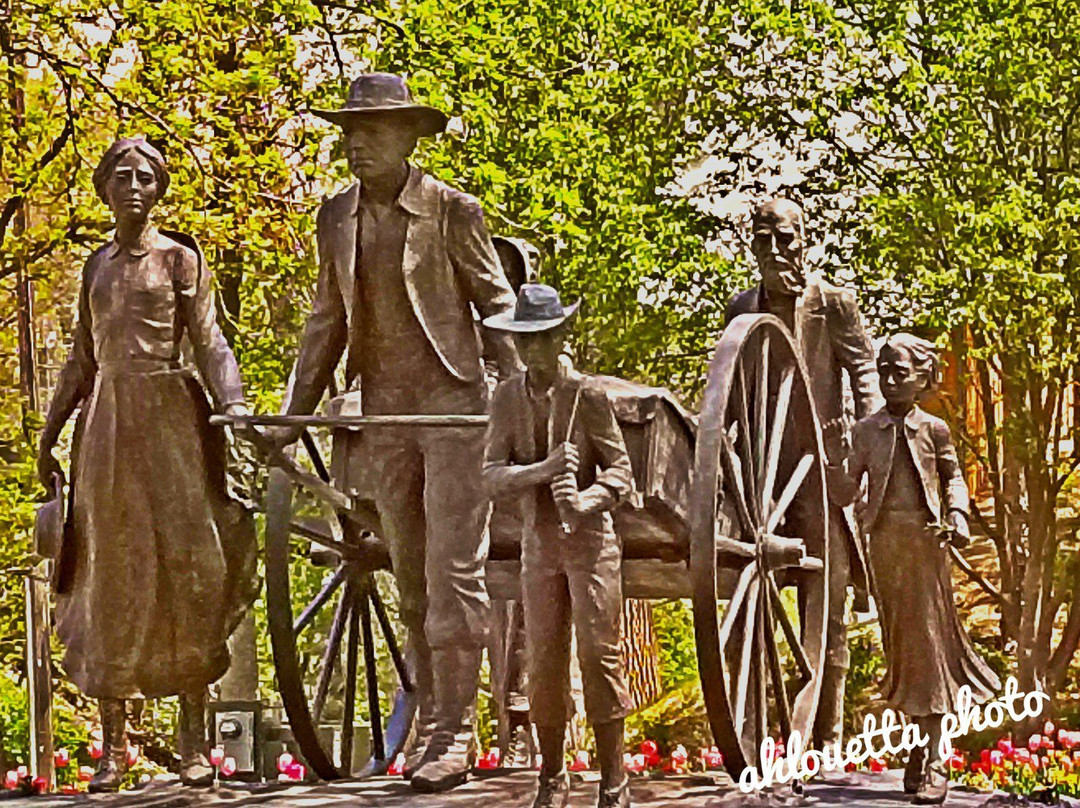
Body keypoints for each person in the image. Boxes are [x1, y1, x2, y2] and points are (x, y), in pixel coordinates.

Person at [271, 73, 519, 792]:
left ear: (409, 137)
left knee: (452, 572)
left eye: (372, 131)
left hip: (455, 413)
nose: (355, 144)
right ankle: (433, 717)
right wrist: (295, 416)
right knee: (410, 578)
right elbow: (326, 323)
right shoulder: (336, 217)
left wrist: (523, 403)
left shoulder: (450, 211)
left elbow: (497, 310)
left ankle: (456, 730)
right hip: (383, 415)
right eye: (349, 131)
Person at [37, 138, 257, 791]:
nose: (134, 187)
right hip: (107, 429)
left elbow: (210, 340)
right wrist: (48, 434)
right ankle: (113, 750)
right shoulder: (96, 268)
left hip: (172, 424)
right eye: (122, 177)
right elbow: (82, 356)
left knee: (191, 566)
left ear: (160, 188)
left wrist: (236, 402)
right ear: (105, 188)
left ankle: (194, 745)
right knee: (110, 579)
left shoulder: (178, 261)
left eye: (146, 177)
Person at [726, 197, 882, 747]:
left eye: (785, 240)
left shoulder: (832, 303)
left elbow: (864, 369)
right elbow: (730, 382)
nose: (775, 252)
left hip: (821, 470)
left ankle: (827, 732)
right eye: (763, 241)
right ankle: (753, 728)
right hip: (761, 478)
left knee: (829, 604)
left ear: (804, 240)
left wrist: (868, 443)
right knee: (750, 602)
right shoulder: (742, 306)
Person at [482, 284, 634, 808]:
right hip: (540, 546)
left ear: (559, 337)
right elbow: (491, 474)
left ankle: (614, 779)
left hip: (591, 547)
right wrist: (539, 473)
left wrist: (589, 498)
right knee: (543, 660)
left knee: (600, 655)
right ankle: (552, 774)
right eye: (525, 342)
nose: (534, 352)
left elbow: (621, 471)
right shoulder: (506, 397)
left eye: (543, 340)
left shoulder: (588, 396)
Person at [846, 334, 999, 805]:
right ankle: (918, 748)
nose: (891, 380)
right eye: (884, 370)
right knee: (903, 654)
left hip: (925, 546)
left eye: (901, 372)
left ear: (924, 379)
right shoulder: (865, 431)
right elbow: (845, 484)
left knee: (929, 650)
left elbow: (953, 477)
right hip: (885, 549)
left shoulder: (934, 430)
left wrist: (957, 515)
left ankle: (935, 758)